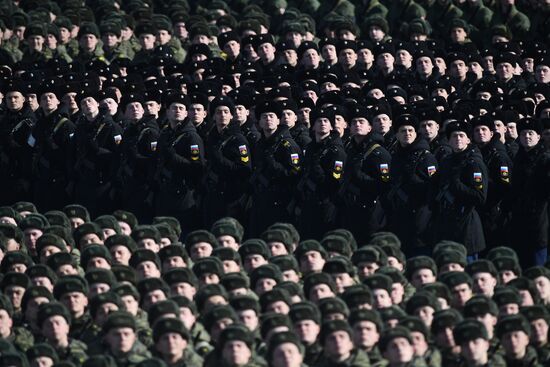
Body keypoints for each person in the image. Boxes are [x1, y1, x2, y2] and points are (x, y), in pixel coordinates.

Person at [432, 120, 488, 260]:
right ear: (449, 141)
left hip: (466, 224)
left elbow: (480, 197)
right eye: (454, 136)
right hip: (446, 222)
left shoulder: (474, 163)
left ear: (468, 139)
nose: (458, 139)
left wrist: (456, 184)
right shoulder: (446, 161)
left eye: (461, 136)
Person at [297, 107, 346, 239]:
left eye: (326, 120)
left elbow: (336, 181)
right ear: (313, 126)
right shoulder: (311, 147)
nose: (323, 123)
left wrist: (317, 167)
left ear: (331, 126)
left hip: (327, 203)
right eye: (319, 120)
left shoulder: (336, 150)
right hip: (309, 202)